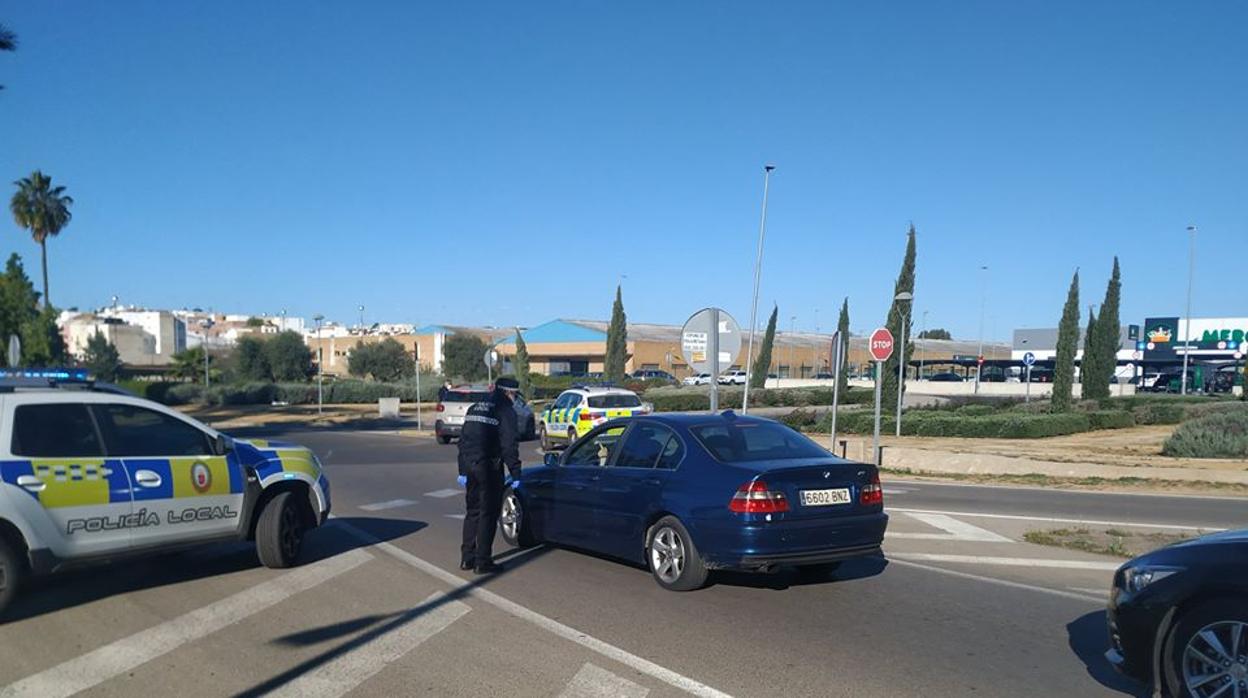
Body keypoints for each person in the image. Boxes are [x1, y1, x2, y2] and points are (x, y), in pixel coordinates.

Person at [457, 377, 522, 574]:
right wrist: (516, 472)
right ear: (509, 393)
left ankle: (467, 558)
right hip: (489, 468)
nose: (515, 398)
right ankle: (482, 561)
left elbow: (463, 442)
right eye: (515, 395)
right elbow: (509, 445)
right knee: (488, 513)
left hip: (470, 466)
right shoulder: (505, 411)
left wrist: (462, 470)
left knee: (473, 512)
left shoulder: (475, 408)